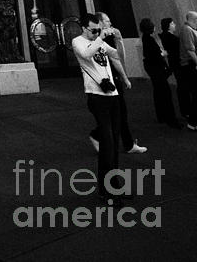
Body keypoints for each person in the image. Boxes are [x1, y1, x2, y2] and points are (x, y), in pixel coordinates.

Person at [72, 12, 132, 204]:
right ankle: (107, 192)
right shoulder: (78, 41)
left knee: (113, 142)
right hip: (96, 97)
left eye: (98, 29)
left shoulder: (99, 40)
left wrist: (119, 41)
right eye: (93, 30)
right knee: (106, 142)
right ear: (84, 28)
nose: (96, 33)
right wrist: (100, 37)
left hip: (112, 95)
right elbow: (87, 54)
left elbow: (117, 57)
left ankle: (114, 186)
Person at [88, 12, 146, 155]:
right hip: (107, 80)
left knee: (120, 113)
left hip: (115, 79)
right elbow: (114, 59)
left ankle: (128, 144)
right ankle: (98, 135)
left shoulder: (109, 37)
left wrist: (119, 40)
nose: (110, 23)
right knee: (117, 113)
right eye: (107, 21)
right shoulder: (98, 39)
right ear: (100, 22)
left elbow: (120, 57)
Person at [140, 17, 182, 128]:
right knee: (165, 93)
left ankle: (162, 115)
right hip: (156, 69)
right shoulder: (149, 40)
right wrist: (163, 54)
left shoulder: (146, 38)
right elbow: (155, 55)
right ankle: (171, 119)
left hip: (153, 69)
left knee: (159, 92)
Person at [160, 17, 189, 119]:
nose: (174, 25)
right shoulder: (171, 38)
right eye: (172, 23)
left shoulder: (164, 37)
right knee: (183, 87)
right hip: (179, 64)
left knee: (182, 87)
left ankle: (185, 110)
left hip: (175, 64)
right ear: (168, 26)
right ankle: (185, 110)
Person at [178, 11, 197, 131]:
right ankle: (193, 121)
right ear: (192, 19)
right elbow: (190, 50)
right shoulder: (187, 30)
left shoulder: (190, 29)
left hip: (191, 64)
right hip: (190, 65)